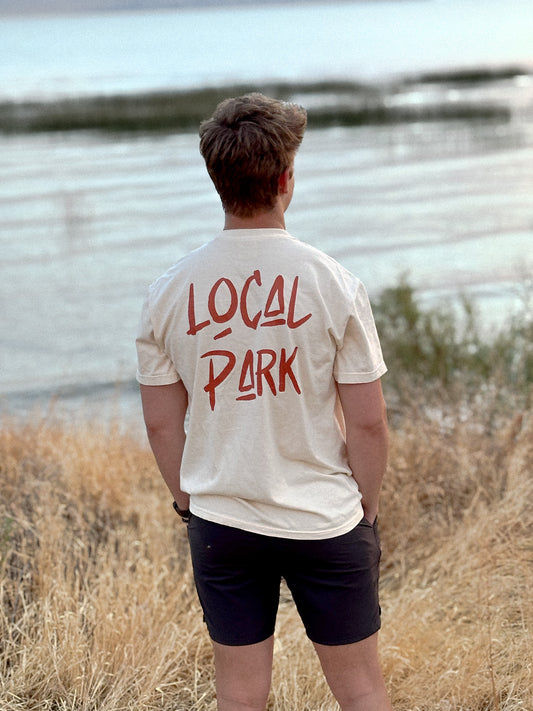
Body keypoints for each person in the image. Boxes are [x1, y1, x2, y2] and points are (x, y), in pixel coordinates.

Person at [136, 93, 393, 711]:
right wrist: (364, 510)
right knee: (360, 692)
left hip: (222, 519)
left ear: (216, 180)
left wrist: (191, 505)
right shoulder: (333, 282)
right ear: (286, 179)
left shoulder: (168, 292)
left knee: (242, 692)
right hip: (325, 517)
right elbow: (368, 421)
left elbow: (162, 423)